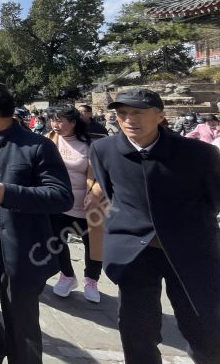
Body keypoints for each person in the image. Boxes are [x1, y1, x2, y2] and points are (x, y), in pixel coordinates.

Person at [91, 88, 220, 364]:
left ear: (160, 116)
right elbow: (112, 194)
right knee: (137, 331)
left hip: (190, 252)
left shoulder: (199, 153)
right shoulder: (103, 150)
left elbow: (213, 200)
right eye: (122, 113)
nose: (128, 120)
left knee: (205, 330)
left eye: (137, 112)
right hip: (135, 253)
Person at [0, 82, 73, 364]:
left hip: (21, 246)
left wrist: (10, 193)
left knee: (21, 320)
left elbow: (61, 196)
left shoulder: (37, 146)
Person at [46, 105, 106, 303]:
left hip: (88, 203)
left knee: (93, 243)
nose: (56, 124)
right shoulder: (48, 140)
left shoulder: (91, 144)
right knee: (56, 241)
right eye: (53, 120)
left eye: (61, 120)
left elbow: (104, 174)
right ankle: (67, 275)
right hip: (58, 202)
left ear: (73, 123)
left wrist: (95, 193)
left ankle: (92, 279)